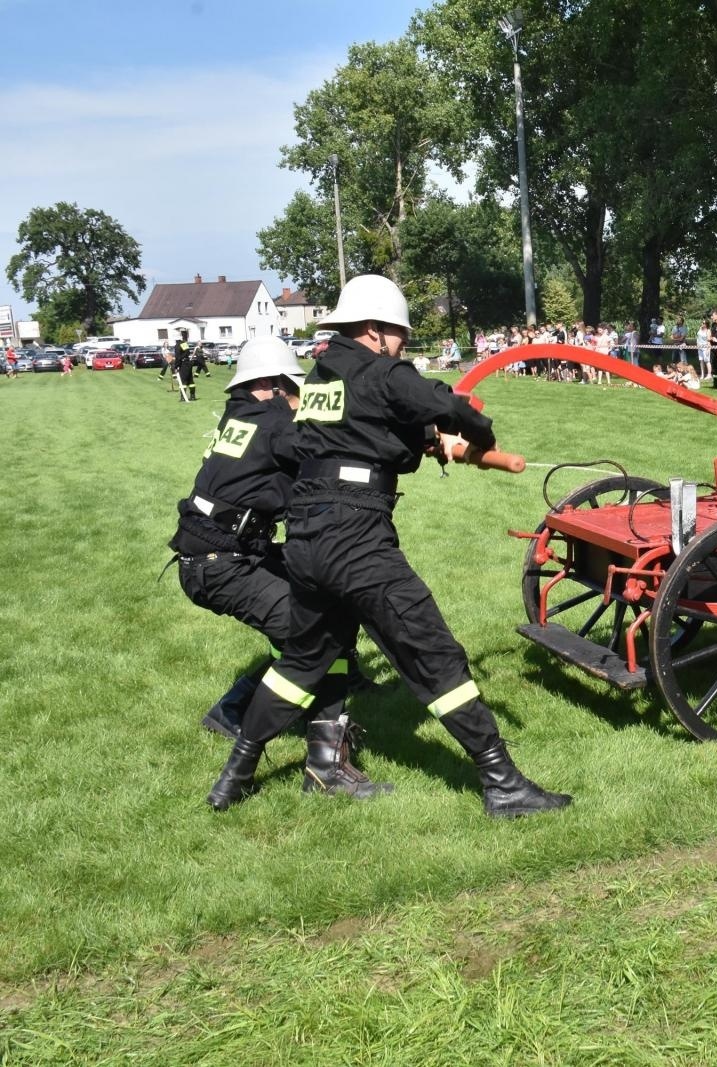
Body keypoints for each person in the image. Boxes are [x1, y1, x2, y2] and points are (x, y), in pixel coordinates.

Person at [205, 275, 570, 818]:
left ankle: (235, 775)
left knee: (303, 660)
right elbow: (446, 404)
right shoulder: (382, 368)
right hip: (356, 537)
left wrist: (423, 442)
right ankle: (503, 782)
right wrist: (478, 436)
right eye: (399, 333)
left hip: (306, 537)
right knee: (434, 654)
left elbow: (357, 434)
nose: (401, 343)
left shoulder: (325, 376)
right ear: (375, 331)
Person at [169, 337, 377, 767]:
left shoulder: (242, 414)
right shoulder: (273, 422)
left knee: (332, 591)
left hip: (223, 553)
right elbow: (323, 443)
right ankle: (247, 717)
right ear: (271, 385)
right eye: (294, 387)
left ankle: (340, 683)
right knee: (314, 634)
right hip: (223, 564)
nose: (303, 398)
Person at [172, 327, 199, 402]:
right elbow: (188, 352)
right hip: (188, 363)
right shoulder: (184, 343)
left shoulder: (177, 345)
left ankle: (183, 397)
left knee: (183, 381)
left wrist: (176, 366)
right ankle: (193, 396)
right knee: (190, 380)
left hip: (183, 364)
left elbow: (177, 357)